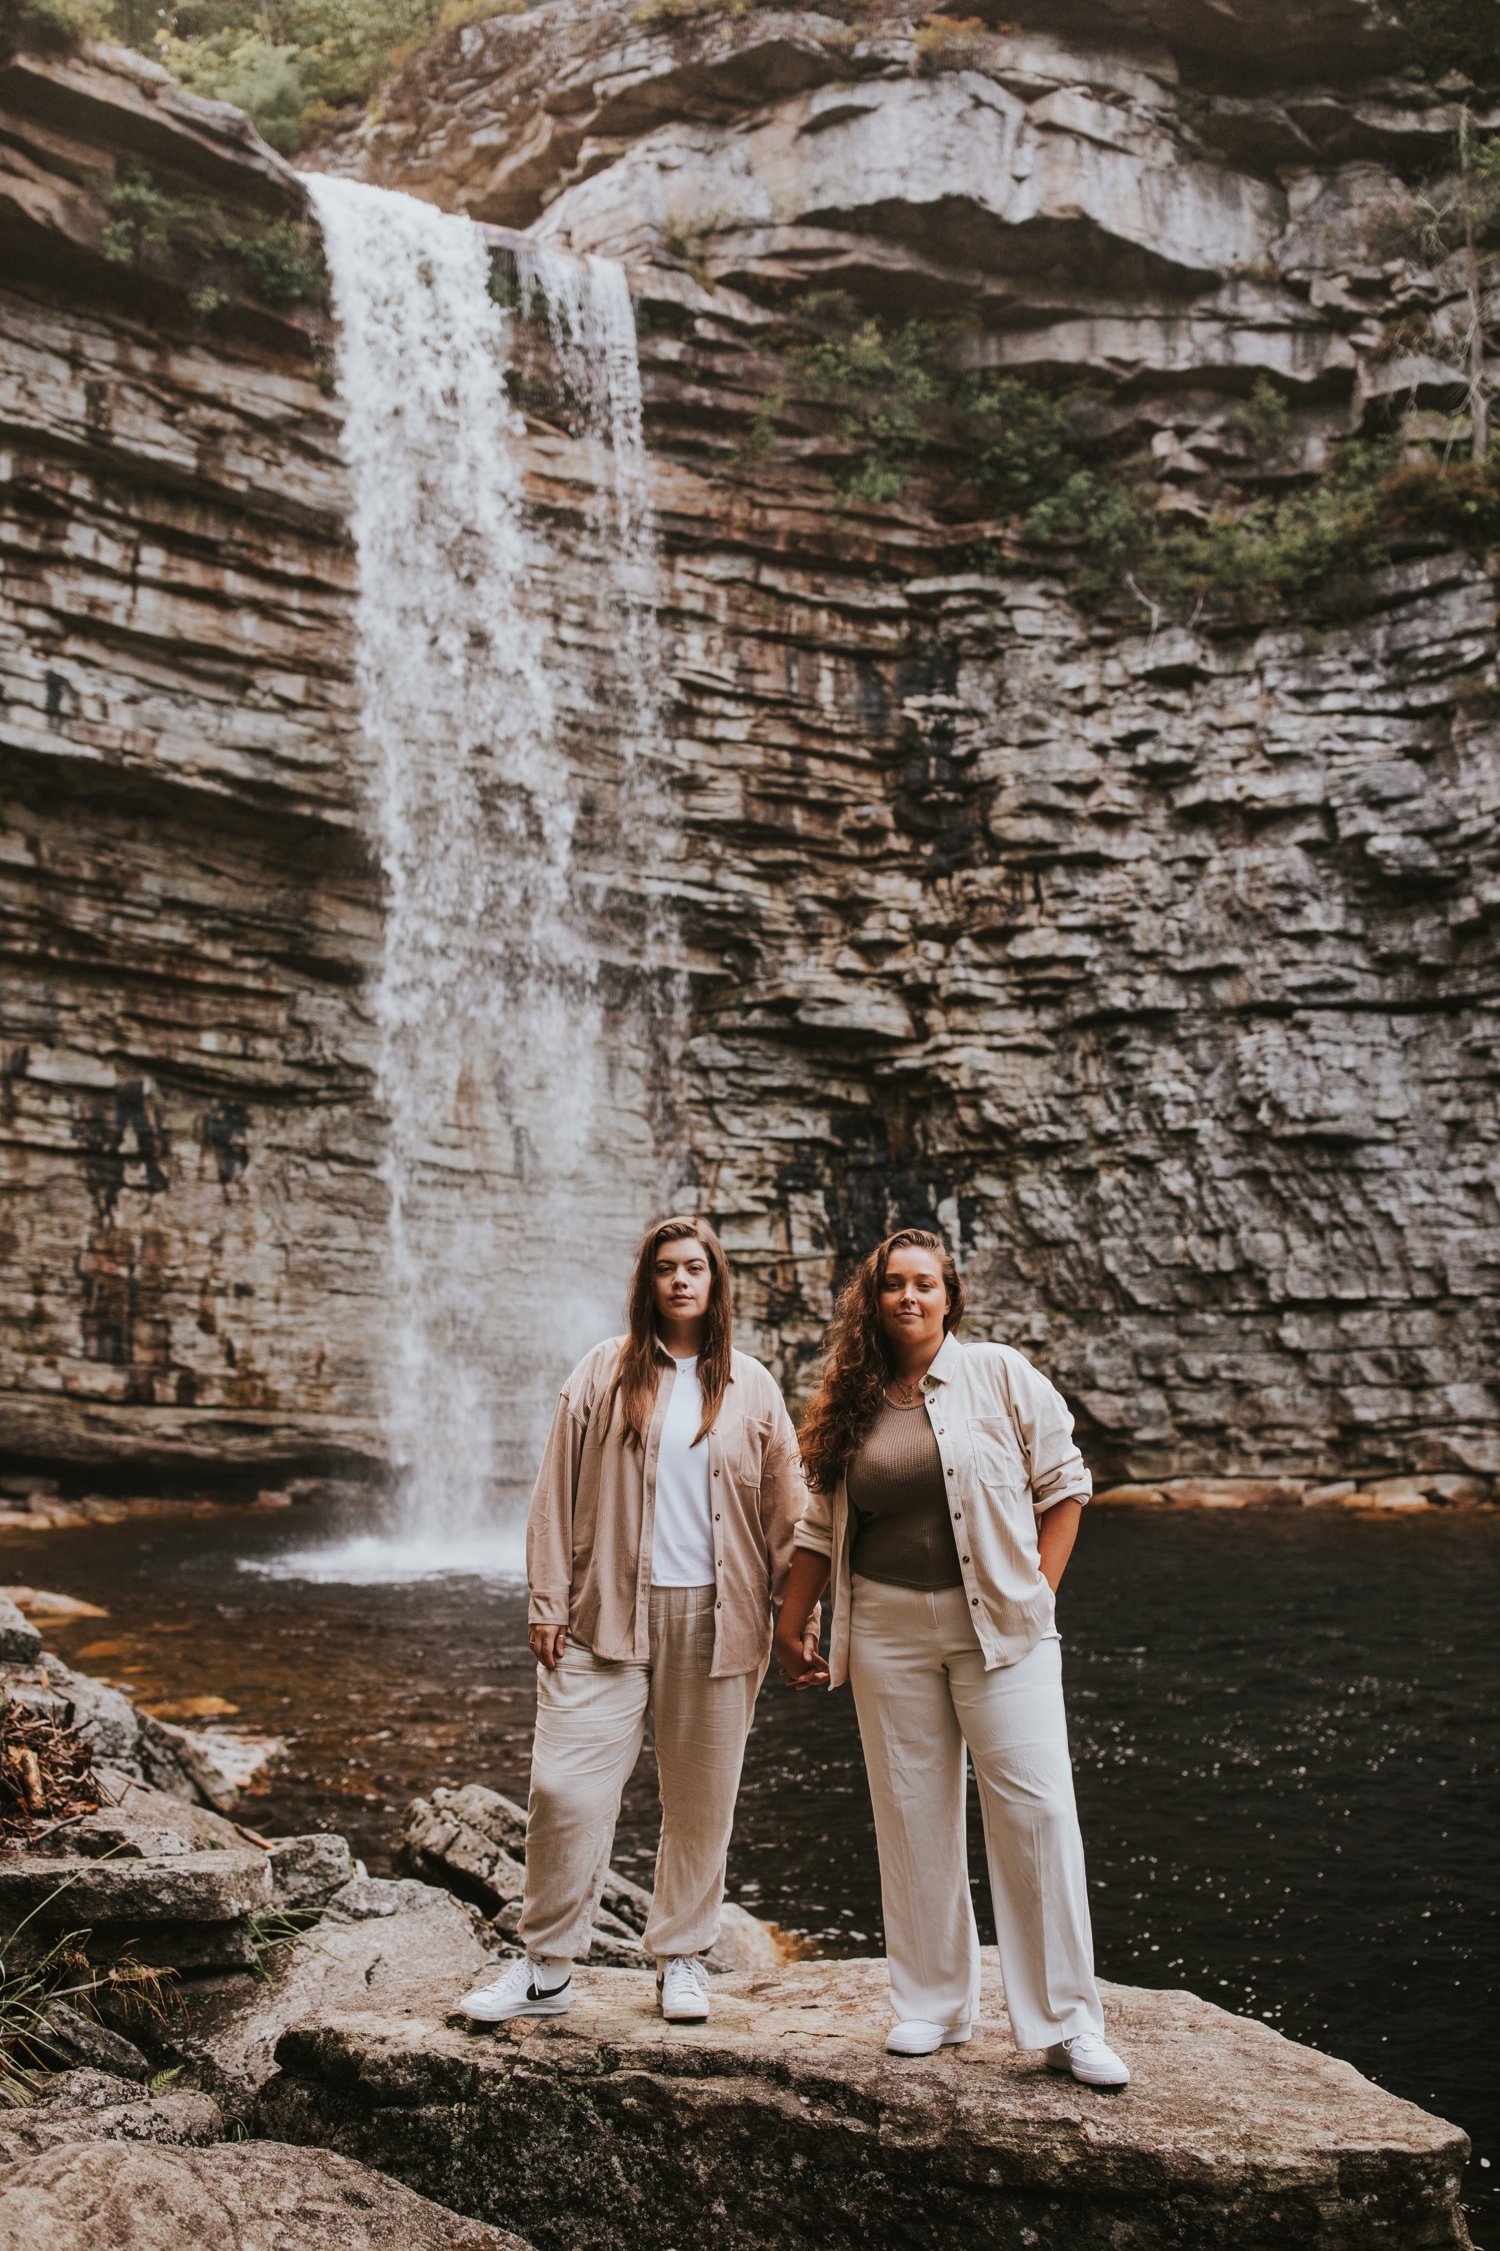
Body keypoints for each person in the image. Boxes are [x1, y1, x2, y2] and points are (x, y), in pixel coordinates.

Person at [773, 1227, 1129, 2085]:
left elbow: (1067, 1484)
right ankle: (933, 2004)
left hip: (1002, 1626)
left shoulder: (1001, 1374)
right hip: (888, 1627)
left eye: (923, 1283)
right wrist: (793, 1621)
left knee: (1037, 1812)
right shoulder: (851, 1398)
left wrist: (1037, 1592)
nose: (908, 1296)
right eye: (893, 1283)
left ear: (949, 1295)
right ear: (875, 1298)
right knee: (911, 1812)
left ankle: (1069, 2022)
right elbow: (819, 1526)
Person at [460, 1214, 807, 2029]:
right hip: (603, 1612)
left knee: (701, 1800)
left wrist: (799, 1621)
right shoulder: (601, 1372)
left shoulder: (752, 1385)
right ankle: (546, 1965)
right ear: (647, 1281)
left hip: (719, 1620)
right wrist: (547, 1598)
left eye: (695, 1267)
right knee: (564, 1788)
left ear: (716, 1281)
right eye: (665, 1268)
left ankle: (682, 1957)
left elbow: (786, 1511)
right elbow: (554, 1490)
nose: (681, 1280)